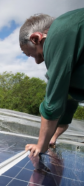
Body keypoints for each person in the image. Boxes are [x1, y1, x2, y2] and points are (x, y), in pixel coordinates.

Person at [19, 8, 84, 157]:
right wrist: (51, 138)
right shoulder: (73, 33)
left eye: (32, 54)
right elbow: (67, 102)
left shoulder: (58, 34)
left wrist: (40, 146)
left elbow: (52, 103)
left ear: (36, 38)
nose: (37, 61)